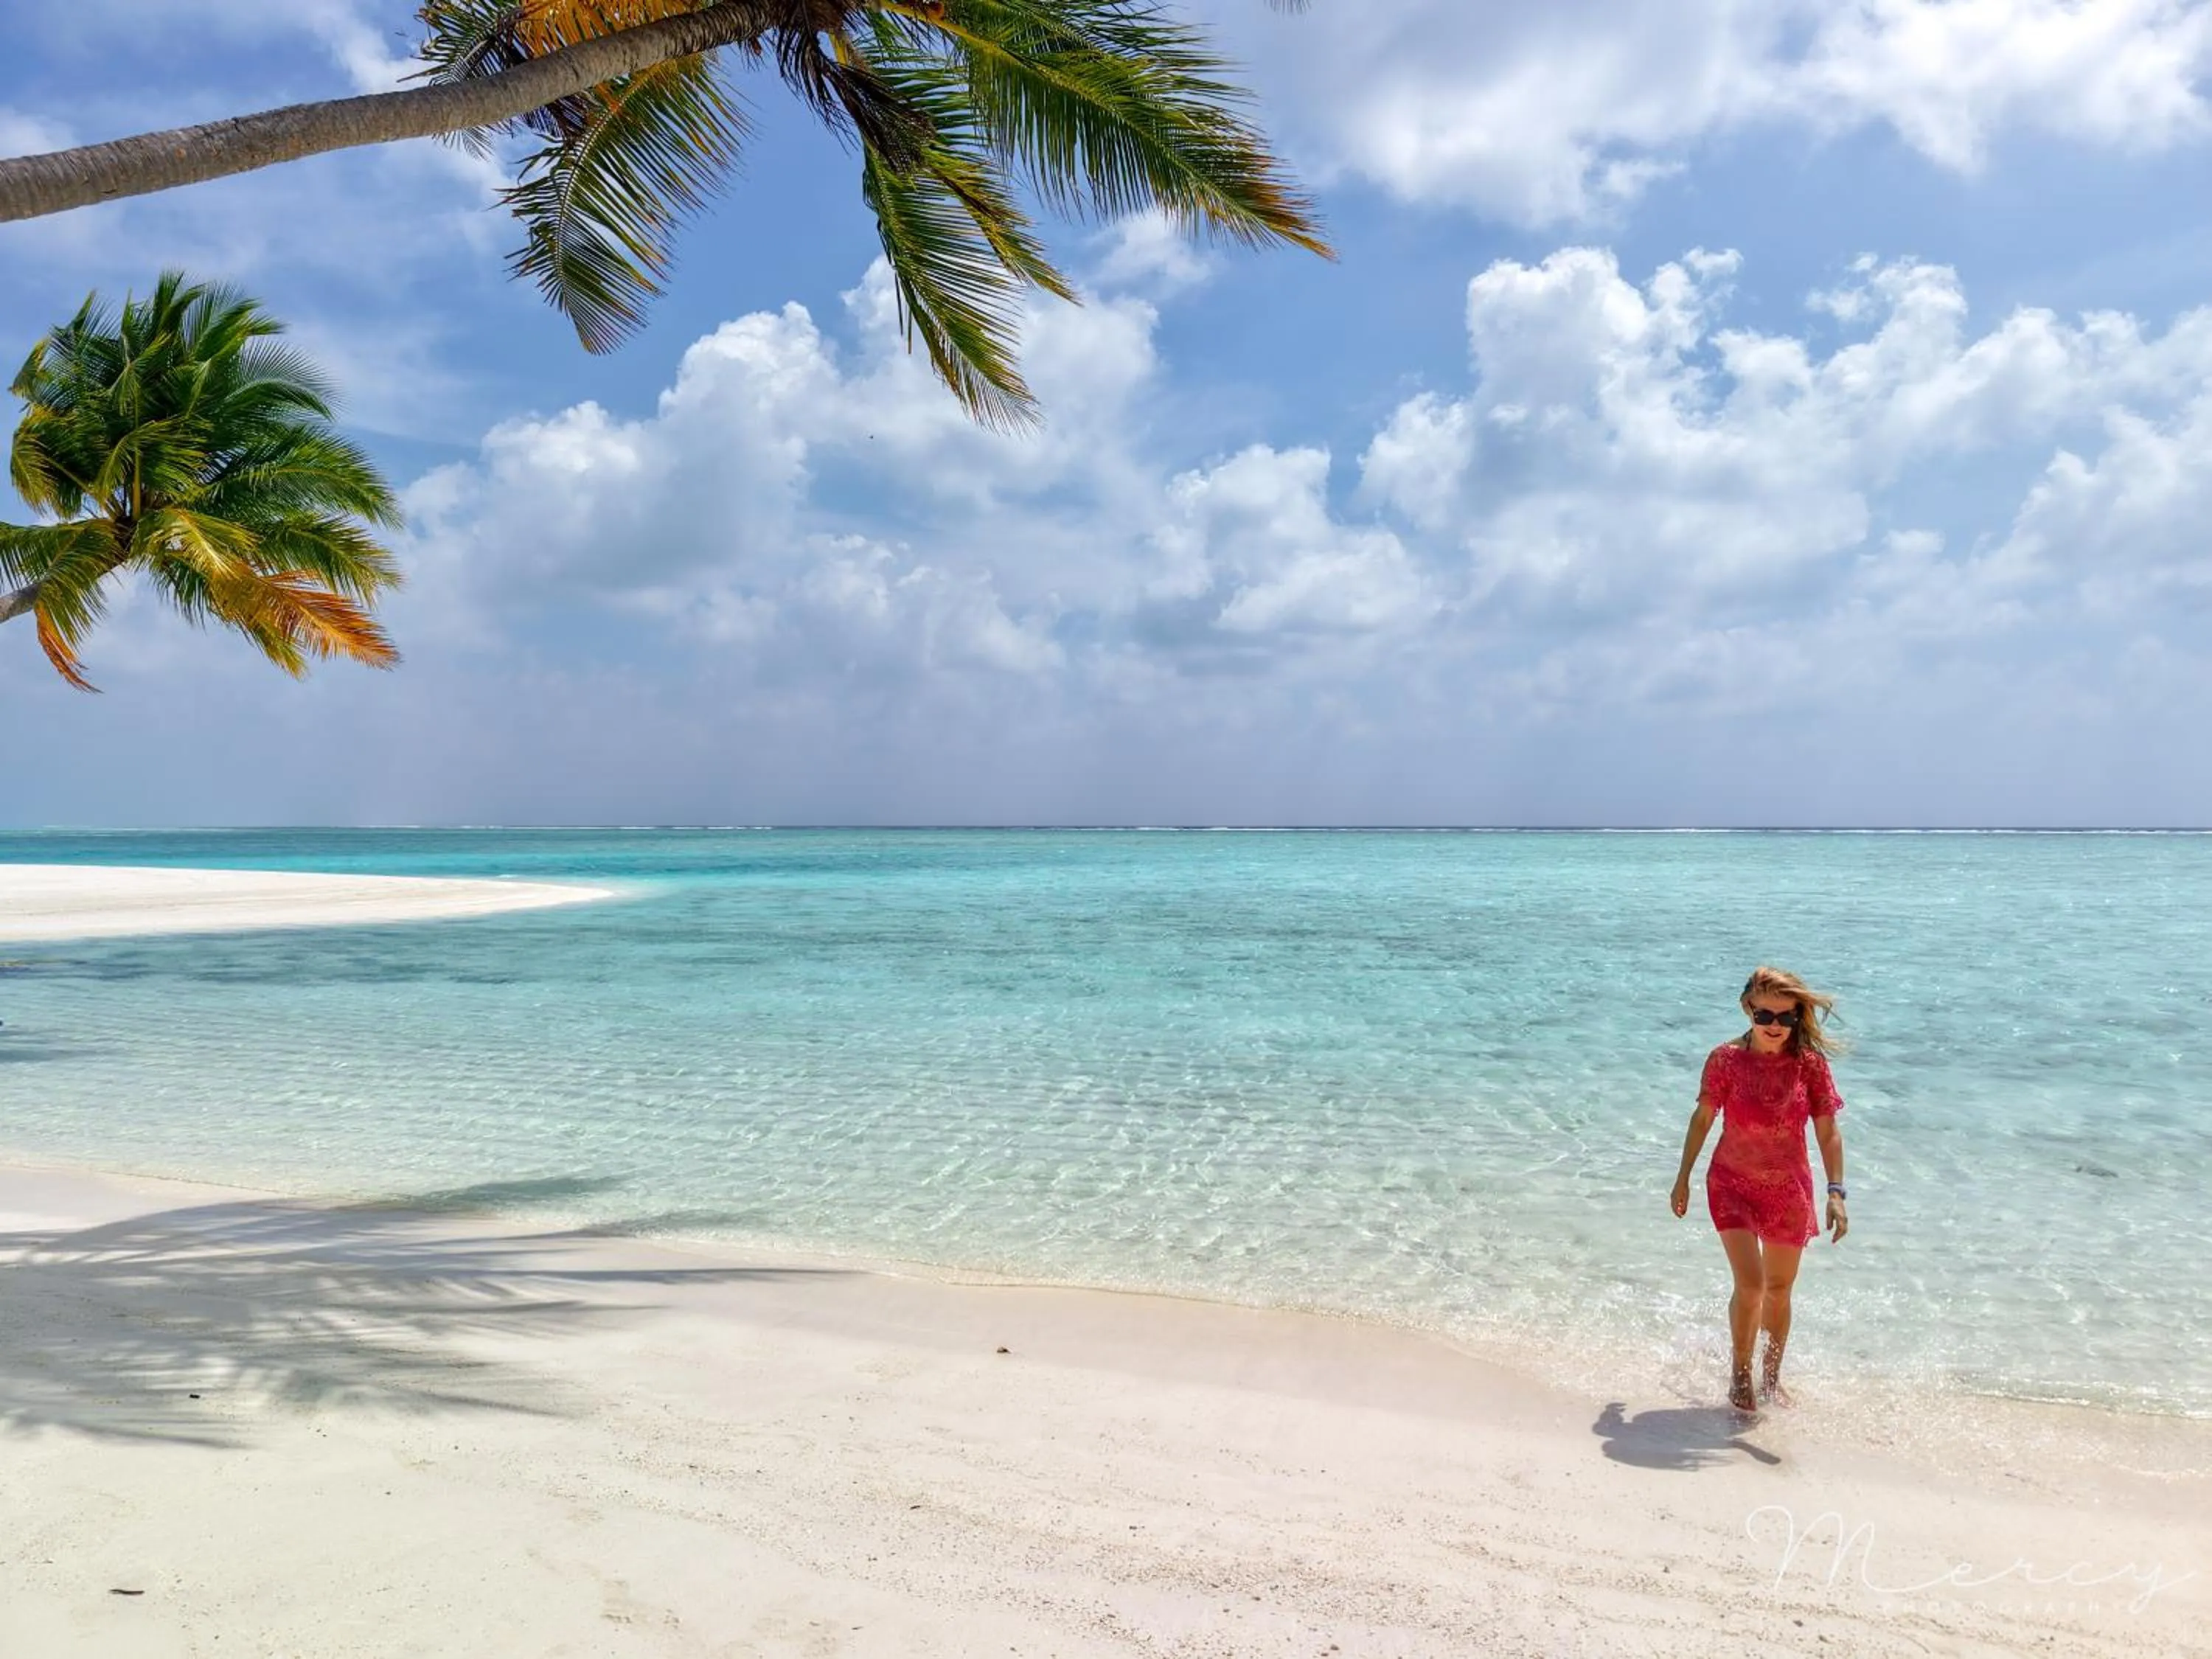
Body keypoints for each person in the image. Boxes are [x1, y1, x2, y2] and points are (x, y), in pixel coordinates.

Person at [1669, 966, 1848, 1413]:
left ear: (1797, 1019)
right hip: (1731, 1183)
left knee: (1780, 1290)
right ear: (1747, 1008)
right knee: (1751, 1286)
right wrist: (1683, 1176)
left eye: (1785, 1018)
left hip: (1789, 1190)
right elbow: (1704, 1117)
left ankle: (1772, 1378)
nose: (1773, 1026)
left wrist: (1836, 1192)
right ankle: (1740, 1376)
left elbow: (1828, 1131)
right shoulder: (1725, 1059)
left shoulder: (1809, 1066)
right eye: (1764, 1015)